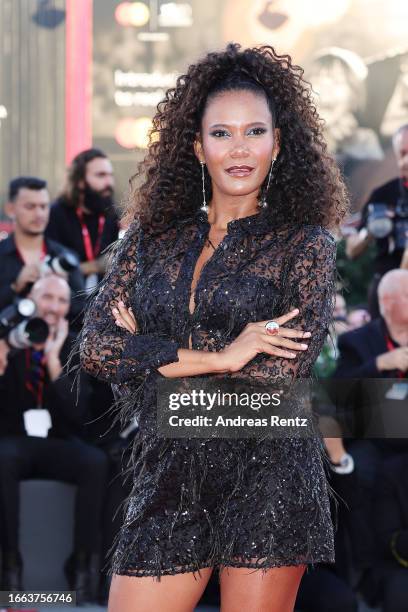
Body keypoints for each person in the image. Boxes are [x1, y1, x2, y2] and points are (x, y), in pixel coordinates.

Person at [79, 43, 348, 612]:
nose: (239, 148)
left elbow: (279, 376)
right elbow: (98, 348)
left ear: (279, 142)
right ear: (198, 147)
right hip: (168, 477)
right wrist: (226, 356)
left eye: (255, 131)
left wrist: (150, 358)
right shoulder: (151, 241)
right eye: (221, 134)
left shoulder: (304, 246)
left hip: (269, 477)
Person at [0, 275, 108, 603]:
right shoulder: (8, 339)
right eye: (47, 298)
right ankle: (10, 566)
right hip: (13, 439)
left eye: (61, 301)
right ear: (31, 300)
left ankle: (82, 567)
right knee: (3, 459)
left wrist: (53, 362)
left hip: (60, 440)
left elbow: (79, 414)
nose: (54, 307)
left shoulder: (77, 345)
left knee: (95, 462)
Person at [0, 176, 85, 328]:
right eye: (30, 207)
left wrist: (62, 290)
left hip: (57, 348)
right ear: (10, 209)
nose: (39, 214)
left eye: (44, 206)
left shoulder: (65, 257)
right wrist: (15, 287)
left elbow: (83, 315)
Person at [346, 124, 408, 317]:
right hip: (387, 289)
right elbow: (351, 250)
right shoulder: (382, 195)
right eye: (403, 153)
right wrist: (371, 231)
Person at [45, 148, 120, 292]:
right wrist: (95, 266)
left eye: (110, 175)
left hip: (100, 299)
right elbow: (51, 269)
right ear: (80, 181)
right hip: (64, 300)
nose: (109, 182)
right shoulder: (55, 214)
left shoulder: (111, 215)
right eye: (101, 175)